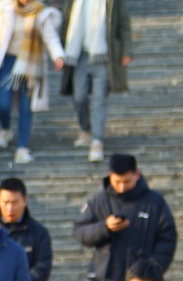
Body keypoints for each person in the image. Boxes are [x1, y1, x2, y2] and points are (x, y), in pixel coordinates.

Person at [0, 0, 65, 164]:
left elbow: (51, 38)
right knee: (2, 103)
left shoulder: (41, 14)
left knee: (27, 106)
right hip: (9, 62)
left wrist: (58, 56)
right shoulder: (6, 11)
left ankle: (22, 147)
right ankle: (5, 129)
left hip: (32, 64)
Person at [73, 154, 178, 281]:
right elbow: (80, 231)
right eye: (117, 182)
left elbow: (167, 237)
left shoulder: (154, 202)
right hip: (105, 278)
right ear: (109, 175)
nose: (122, 187)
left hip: (141, 280)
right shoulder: (99, 200)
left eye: (127, 181)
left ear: (137, 175)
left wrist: (154, 269)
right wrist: (105, 227)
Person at [63, 0, 133, 163]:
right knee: (79, 97)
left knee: (99, 100)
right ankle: (85, 130)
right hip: (79, 54)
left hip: (103, 56)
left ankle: (97, 141)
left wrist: (126, 50)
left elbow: (124, 24)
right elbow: (66, 24)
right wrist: (59, 53)